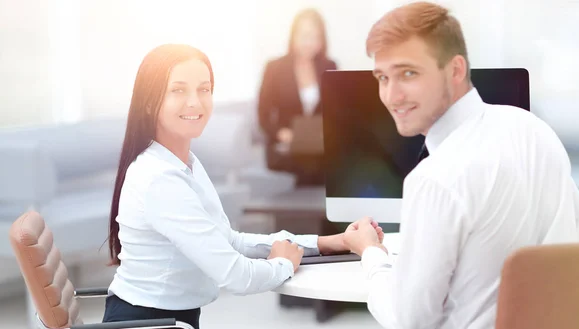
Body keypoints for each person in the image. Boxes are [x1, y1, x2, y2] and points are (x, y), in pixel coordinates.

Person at [341, 2, 579, 329]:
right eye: (382, 77)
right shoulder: (533, 129)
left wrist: (371, 254)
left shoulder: (435, 180)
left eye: (408, 73)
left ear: (456, 70)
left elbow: (410, 321)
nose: (392, 96)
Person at [102, 44, 382, 329]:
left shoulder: (185, 164)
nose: (195, 102)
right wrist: (283, 265)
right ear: (150, 101)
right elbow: (235, 275)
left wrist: (328, 243)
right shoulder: (159, 179)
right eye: (178, 90)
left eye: (204, 89)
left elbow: (230, 241)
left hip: (171, 319)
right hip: (145, 322)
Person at [257, 8, 337, 186]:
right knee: (310, 166)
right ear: (293, 36)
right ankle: (311, 211)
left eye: (316, 37)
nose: (310, 42)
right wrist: (281, 133)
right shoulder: (275, 68)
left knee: (327, 163)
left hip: (319, 147)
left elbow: (337, 112)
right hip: (285, 148)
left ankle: (322, 211)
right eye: (305, 35)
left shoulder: (329, 66)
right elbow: (263, 114)